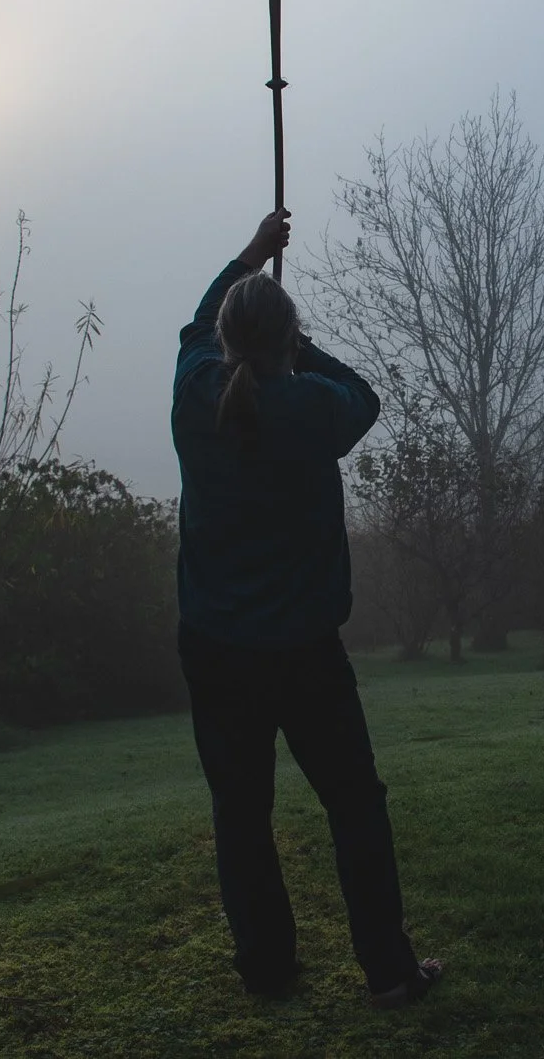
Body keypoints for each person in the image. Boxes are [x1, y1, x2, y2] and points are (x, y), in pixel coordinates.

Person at [171, 207, 443, 1008]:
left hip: (216, 648)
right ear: (286, 342)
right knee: (354, 803)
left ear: (226, 341)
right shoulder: (313, 408)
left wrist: (252, 256)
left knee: (242, 810)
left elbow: (199, 322)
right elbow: (364, 393)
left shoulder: (194, 395)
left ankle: (265, 968)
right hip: (304, 650)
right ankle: (389, 970)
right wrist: (296, 347)